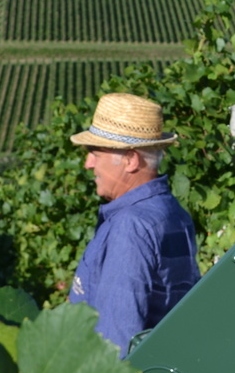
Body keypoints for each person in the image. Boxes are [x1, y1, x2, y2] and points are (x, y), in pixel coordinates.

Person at [69, 93, 199, 357]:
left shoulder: (130, 227)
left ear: (130, 160)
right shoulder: (174, 212)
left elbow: (116, 343)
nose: (88, 164)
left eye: (95, 153)